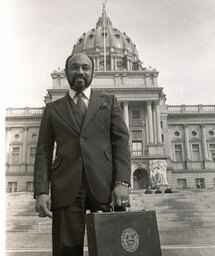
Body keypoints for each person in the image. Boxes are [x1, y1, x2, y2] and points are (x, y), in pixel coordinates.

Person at [34, 53, 131, 256]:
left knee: (110, 249)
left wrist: (122, 182)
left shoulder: (109, 102)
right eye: (75, 67)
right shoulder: (53, 109)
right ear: (67, 72)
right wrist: (42, 191)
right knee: (66, 251)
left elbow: (121, 143)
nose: (80, 71)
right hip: (66, 186)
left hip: (105, 185)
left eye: (85, 68)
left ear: (92, 72)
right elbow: (43, 150)